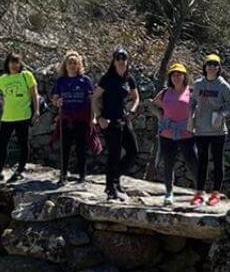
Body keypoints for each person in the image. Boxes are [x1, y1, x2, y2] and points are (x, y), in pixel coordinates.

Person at [91, 47, 140, 201]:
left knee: (133, 151)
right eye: (118, 59)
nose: (121, 62)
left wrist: (132, 110)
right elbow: (94, 98)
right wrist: (99, 117)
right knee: (114, 153)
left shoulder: (129, 78)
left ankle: (115, 179)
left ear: (127, 61)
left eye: (123, 59)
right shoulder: (107, 78)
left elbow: (136, 97)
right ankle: (111, 187)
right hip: (110, 121)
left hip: (123, 120)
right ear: (113, 61)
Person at [189, 54, 230, 207]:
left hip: (217, 131)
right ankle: (199, 193)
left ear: (218, 68)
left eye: (214, 64)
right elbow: (192, 102)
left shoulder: (223, 86)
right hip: (201, 130)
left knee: (217, 161)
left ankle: (216, 193)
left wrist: (222, 114)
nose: (211, 66)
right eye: (209, 64)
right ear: (205, 67)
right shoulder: (198, 85)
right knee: (201, 161)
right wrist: (191, 117)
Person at [0, 53, 37, 182]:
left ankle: (20, 170)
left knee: (23, 143)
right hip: (7, 117)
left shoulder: (26, 76)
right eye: (11, 62)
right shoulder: (4, 78)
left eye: (16, 62)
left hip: (23, 115)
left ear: (20, 64)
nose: (13, 65)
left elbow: (34, 95)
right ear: (7, 64)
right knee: (2, 144)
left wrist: (36, 111)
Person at [152, 62, 195, 205]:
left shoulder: (192, 92)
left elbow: (198, 109)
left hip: (186, 134)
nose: (176, 77)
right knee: (168, 164)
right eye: (174, 75)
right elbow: (153, 104)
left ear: (184, 76)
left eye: (179, 74)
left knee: (193, 163)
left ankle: (200, 192)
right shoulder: (165, 93)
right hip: (167, 133)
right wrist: (160, 116)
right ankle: (169, 193)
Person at [50, 51, 95, 185]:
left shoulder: (85, 80)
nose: (72, 65)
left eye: (75, 63)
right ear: (65, 65)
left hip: (81, 118)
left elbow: (93, 100)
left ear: (79, 65)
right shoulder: (61, 81)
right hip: (66, 118)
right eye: (70, 63)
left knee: (81, 148)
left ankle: (82, 176)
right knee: (65, 148)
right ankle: (63, 176)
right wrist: (57, 102)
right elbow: (55, 97)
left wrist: (93, 118)